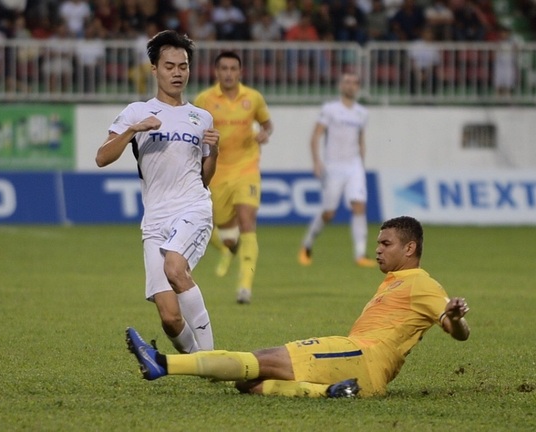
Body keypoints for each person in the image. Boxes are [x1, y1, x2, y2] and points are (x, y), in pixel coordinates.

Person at [126, 216, 471, 398]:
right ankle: (332, 393)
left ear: (410, 248)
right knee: (250, 384)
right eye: (377, 243)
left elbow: (458, 332)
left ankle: (164, 364)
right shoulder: (394, 282)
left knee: (260, 358)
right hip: (357, 364)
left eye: (385, 243)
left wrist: (454, 318)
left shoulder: (422, 284)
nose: (378, 250)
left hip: (362, 357)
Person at [96, 30, 220, 354]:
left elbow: (205, 178)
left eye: (183, 66)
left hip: (193, 206)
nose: (177, 73)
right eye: (170, 66)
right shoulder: (137, 112)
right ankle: (196, 360)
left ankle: (211, 358)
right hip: (155, 220)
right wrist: (133, 130)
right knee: (169, 317)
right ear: (154, 69)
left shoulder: (201, 117)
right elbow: (102, 157)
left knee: (175, 268)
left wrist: (215, 153)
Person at [193, 51, 273, 305]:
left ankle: (244, 287)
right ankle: (229, 246)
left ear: (240, 72)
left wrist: (264, 133)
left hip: (247, 168)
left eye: (233, 69)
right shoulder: (204, 99)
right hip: (216, 170)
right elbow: (192, 132)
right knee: (211, 226)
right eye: (224, 69)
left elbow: (267, 123)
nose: (228, 73)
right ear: (217, 72)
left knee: (247, 221)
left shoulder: (253, 98)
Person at [298, 72, 376, 268]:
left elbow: (361, 140)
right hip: (333, 166)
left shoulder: (361, 113)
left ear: (358, 87)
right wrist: (317, 162)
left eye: (354, 82)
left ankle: (360, 254)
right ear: (341, 85)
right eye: (347, 82)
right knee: (328, 213)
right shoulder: (330, 109)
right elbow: (316, 136)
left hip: (354, 165)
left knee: (359, 205)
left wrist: (361, 164)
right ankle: (307, 244)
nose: (350, 85)